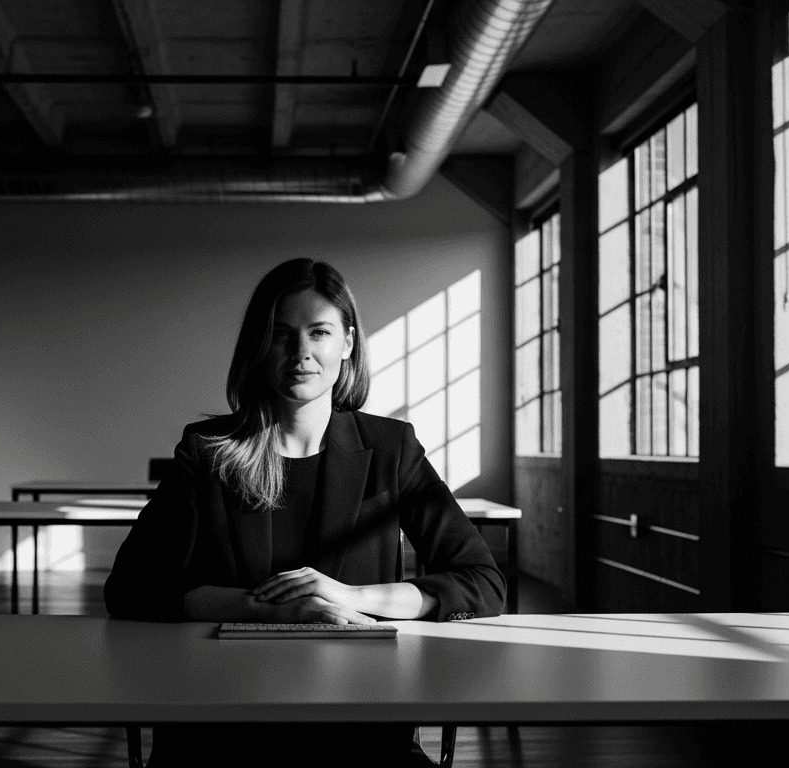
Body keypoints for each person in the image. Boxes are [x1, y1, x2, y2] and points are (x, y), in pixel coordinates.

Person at [104, 258, 506, 767]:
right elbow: (130, 588)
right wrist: (261, 610)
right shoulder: (207, 451)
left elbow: (482, 584)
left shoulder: (392, 448)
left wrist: (352, 596)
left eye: (319, 332)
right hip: (220, 732)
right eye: (281, 335)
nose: (301, 353)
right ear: (259, 345)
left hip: (360, 731)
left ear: (348, 343)